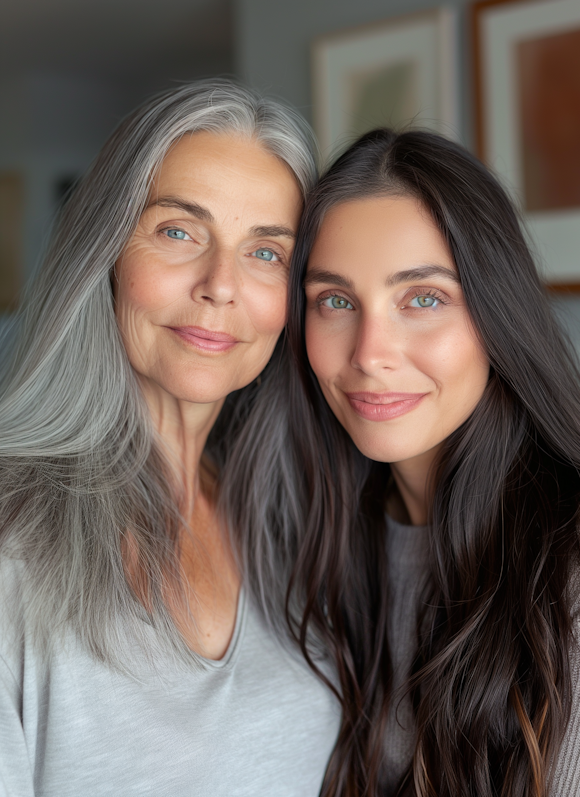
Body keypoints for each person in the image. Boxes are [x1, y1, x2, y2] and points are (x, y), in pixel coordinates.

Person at [0, 80, 342, 797]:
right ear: (105, 252)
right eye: (179, 231)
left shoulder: (292, 522)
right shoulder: (12, 538)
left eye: (266, 252)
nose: (220, 284)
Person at [285, 128, 580, 797]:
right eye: (335, 300)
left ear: (496, 313)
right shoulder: (316, 540)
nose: (370, 352)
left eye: (423, 298)